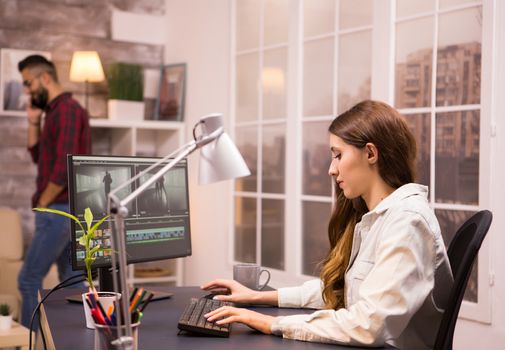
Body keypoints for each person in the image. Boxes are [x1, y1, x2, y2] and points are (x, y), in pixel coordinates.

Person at [202, 100, 453, 350]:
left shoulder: (407, 222)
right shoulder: (379, 217)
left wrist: (271, 324)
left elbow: (368, 325)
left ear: (370, 154)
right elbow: (341, 290)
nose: (332, 170)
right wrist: (256, 297)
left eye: (338, 155)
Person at [17, 55, 91, 328]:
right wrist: (34, 121)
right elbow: (40, 157)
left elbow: (62, 169)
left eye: (28, 83)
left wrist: (44, 205)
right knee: (72, 282)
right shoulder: (55, 112)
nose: (26, 90)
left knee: (27, 279)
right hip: (68, 211)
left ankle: (31, 344)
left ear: (45, 78)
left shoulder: (67, 110)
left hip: (59, 210)